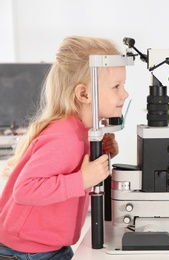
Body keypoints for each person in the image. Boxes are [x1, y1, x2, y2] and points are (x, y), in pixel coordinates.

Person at [0, 36, 129, 259]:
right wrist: (82, 179)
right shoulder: (64, 136)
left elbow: (72, 168)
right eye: (116, 86)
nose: (125, 94)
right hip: (27, 252)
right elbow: (25, 190)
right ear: (83, 94)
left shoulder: (83, 132)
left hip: (50, 246)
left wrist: (104, 153)